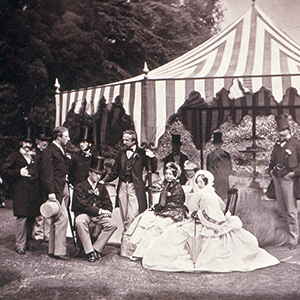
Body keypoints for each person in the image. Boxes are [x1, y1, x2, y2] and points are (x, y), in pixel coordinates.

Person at [142, 170, 279, 272]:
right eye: (198, 183)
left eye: (201, 183)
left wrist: (198, 215)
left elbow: (214, 216)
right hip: (199, 222)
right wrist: (196, 215)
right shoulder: (205, 193)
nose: (199, 185)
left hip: (210, 226)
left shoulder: (209, 195)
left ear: (206, 183)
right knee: (173, 236)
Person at [121, 162, 188, 260]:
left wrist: (160, 209)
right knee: (143, 218)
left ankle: (139, 253)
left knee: (154, 229)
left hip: (174, 213)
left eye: (170, 174)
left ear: (175, 175)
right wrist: (156, 207)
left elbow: (174, 204)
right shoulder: (166, 185)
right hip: (165, 210)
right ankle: (130, 248)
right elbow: (162, 202)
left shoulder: (177, 188)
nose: (168, 176)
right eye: (166, 174)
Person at [101, 130, 157, 232]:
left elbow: (152, 169)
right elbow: (114, 172)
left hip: (134, 186)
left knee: (132, 215)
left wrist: (152, 158)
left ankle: (127, 236)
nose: (124, 142)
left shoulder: (142, 153)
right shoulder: (121, 154)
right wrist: (103, 181)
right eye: (123, 139)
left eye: (126, 140)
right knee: (124, 214)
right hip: (122, 186)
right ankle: (126, 237)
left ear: (133, 141)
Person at [1, 126, 40, 254]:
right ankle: (20, 245)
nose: (28, 145)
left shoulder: (34, 157)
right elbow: (4, 171)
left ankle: (29, 242)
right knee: (22, 217)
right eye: (25, 142)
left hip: (33, 192)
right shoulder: (14, 156)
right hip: (21, 191)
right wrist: (19, 172)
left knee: (31, 217)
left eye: (30, 142)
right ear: (21, 143)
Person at [72, 156, 118, 263]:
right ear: (90, 173)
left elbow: (108, 204)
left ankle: (96, 249)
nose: (98, 176)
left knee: (113, 224)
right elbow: (83, 206)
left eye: (100, 174)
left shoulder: (101, 188)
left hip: (98, 216)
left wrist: (108, 212)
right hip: (84, 214)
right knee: (80, 221)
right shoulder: (80, 187)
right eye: (96, 173)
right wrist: (100, 211)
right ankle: (89, 252)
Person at [269, 113, 300, 250]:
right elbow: (272, 160)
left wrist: (294, 173)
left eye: (283, 130)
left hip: (288, 179)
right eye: (279, 131)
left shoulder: (296, 144)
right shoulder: (277, 145)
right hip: (277, 177)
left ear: (289, 130)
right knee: (281, 210)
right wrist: (271, 171)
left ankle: (294, 238)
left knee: (291, 210)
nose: (281, 133)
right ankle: (283, 237)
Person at [40, 126, 71, 260]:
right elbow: (46, 174)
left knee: (55, 219)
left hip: (62, 186)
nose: (68, 139)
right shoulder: (49, 151)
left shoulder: (59, 150)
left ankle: (52, 250)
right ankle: (59, 251)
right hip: (56, 189)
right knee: (62, 218)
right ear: (58, 137)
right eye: (66, 136)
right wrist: (51, 192)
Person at [32, 125, 52, 244]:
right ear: (37, 141)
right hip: (37, 186)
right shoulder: (34, 154)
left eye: (46, 141)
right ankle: (38, 234)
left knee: (48, 210)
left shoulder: (48, 153)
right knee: (38, 212)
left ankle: (47, 234)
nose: (44, 143)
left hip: (46, 185)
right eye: (42, 140)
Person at [206, 131, 232, 200]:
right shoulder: (210, 156)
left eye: (219, 143)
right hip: (214, 182)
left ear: (221, 144)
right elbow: (209, 169)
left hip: (223, 181)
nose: (217, 145)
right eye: (216, 144)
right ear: (213, 144)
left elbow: (229, 169)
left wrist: (223, 175)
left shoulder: (226, 155)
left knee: (224, 199)